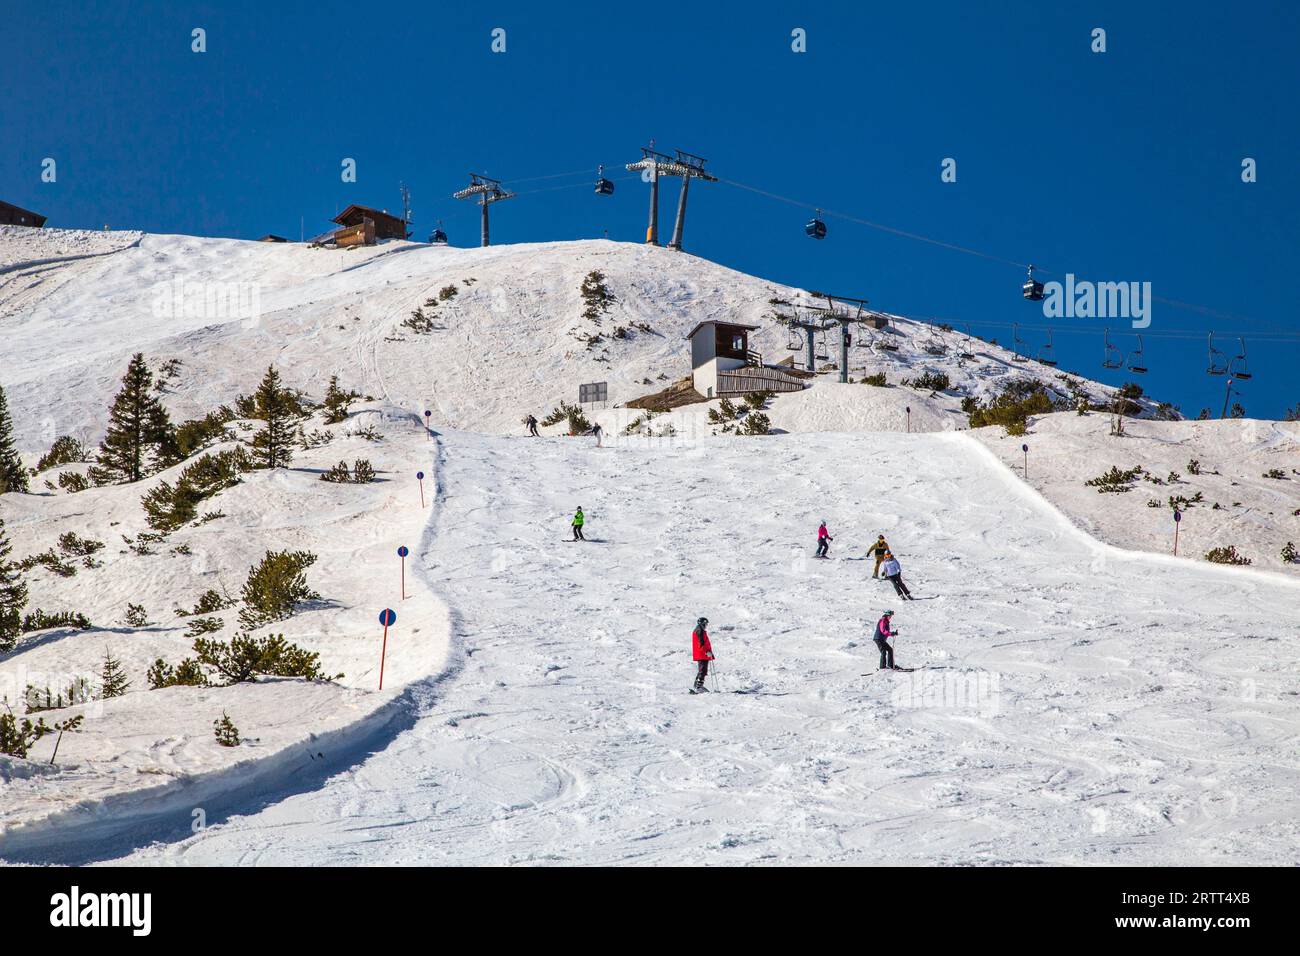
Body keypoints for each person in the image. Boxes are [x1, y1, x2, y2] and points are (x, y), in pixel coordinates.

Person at [691, 617, 714, 692]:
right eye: (705, 624)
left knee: (702, 669)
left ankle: (697, 685)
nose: (706, 625)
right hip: (702, 654)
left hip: (702, 653)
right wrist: (706, 652)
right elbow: (701, 643)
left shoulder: (699, 630)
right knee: (703, 670)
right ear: (702, 624)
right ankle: (699, 686)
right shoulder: (699, 631)